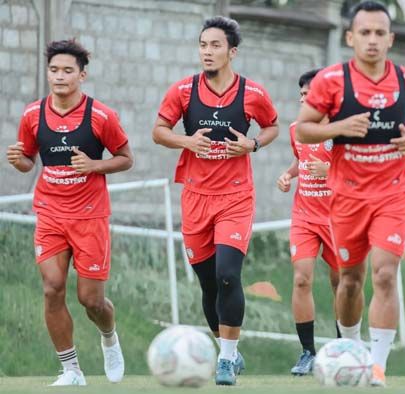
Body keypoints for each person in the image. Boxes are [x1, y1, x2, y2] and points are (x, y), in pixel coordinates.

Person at [295, 1, 405, 387]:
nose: (372, 41)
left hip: (393, 194)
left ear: (390, 39)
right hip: (347, 197)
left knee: (386, 275)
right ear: (350, 37)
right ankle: (351, 351)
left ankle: (376, 366)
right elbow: (303, 129)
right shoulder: (330, 82)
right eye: (365, 33)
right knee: (350, 281)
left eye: (379, 33)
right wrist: (338, 127)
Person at [152, 16, 279, 386]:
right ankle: (231, 351)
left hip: (236, 197)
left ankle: (224, 359)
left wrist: (252, 144)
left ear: (232, 51)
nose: (207, 52)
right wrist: (187, 141)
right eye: (203, 45)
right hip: (195, 197)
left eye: (215, 45)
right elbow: (159, 131)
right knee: (208, 283)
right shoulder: (183, 91)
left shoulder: (252, 93)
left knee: (227, 275)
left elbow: (271, 126)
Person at [6, 39, 132, 386]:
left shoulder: (101, 116)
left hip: (90, 216)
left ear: (82, 75)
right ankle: (71, 370)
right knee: (52, 288)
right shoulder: (33, 114)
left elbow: (125, 158)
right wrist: (21, 162)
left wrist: (94, 165)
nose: (59, 77)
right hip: (49, 212)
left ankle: (109, 338)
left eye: (67, 71)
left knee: (91, 300)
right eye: (53, 70)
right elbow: (29, 159)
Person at [276, 69, 340, 376]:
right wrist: (289, 174)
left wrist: (328, 173)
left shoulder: (342, 132)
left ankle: (345, 347)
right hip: (304, 216)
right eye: (301, 95)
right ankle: (307, 353)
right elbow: (301, 159)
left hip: (339, 218)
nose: (304, 100)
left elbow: (358, 173)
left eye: (309, 95)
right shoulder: (295, 129)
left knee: (343, 284)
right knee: (301, 279)